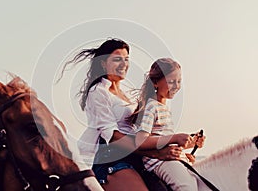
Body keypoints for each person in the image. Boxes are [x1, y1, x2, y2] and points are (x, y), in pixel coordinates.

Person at [60, 38, 184, 191]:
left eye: (126, 59)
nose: (124, 64)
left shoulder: (127, 95)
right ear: (103, 63)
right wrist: (155, 152)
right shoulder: (98, 92)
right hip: (110, 157)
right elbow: (112, 136)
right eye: (117, 59)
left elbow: (145, 130)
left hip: (136, 156)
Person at [131, 58, 205, 191]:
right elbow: (140, 140)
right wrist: (175, 137)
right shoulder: (151, 106)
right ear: (155, 83)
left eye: (179, 81)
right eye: (171, 82)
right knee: (187, 187)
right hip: (158, 162)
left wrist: (192, 143)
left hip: (169, 159)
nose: (176, 86)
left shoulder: (163, 107)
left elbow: (162, 138)